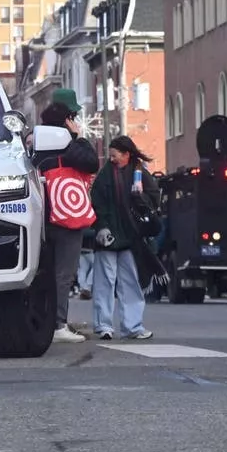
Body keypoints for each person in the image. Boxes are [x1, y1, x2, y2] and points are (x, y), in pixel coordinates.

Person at [33, 93, 100, 343]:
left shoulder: (38, 149)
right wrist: (79, 138)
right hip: (67, 216)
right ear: (67, 122)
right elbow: (92, 163)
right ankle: (59, 324)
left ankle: (44, 321)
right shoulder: (69, 148)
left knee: (44, 272)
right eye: (72, 119)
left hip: (43, 219)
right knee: (64, 273)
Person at [90, 135, 161, 340]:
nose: (111, 159)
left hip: (130, 237)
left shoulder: (140, 175)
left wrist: (140, 197)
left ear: (126, 155)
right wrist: (101, 227)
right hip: (111, 237)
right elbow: (97, 203)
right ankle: (106, 326)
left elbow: (154, 198)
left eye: (114, 155)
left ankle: (131, 326)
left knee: (128, 282)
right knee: (107, 283)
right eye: (110, 155)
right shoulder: (105, 176)